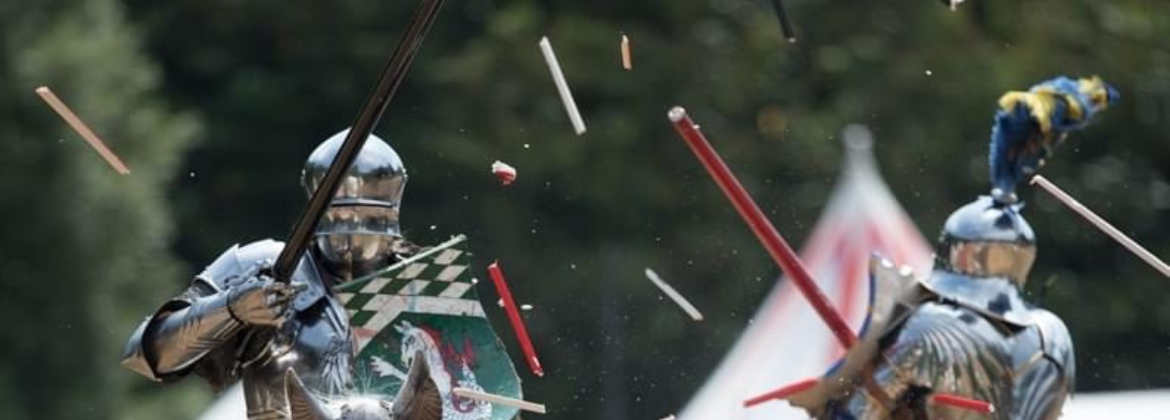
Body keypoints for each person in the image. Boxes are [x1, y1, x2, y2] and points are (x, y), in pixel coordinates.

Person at [786, 76, 1116, 420]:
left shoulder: (930, 326)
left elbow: (857, 416)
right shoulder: (1052, 333)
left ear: (956, 250)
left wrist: (829, 403)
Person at [120, 129, 426, 420]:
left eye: (370, 218)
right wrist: (233, 308)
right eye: (343, 215)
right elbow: (146, 356)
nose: (353, 234)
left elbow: (464, 395)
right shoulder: (265, 268)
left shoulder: (421, 287)